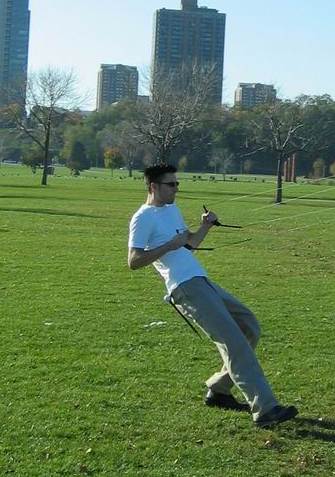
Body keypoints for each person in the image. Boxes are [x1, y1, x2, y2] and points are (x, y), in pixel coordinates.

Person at [127, 163, 297, 427]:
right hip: (184, 288)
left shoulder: (172, 210)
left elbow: (190, 243)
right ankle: (265, 409)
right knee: (234, 343)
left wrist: (205, 226)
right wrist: (168, 245)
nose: (176, 189)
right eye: (171, 184)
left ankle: (219, 389)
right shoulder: (142, 217)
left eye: (177, 183)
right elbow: (134, 261)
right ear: (154, 186)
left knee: (249, 326)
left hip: (201, 280)